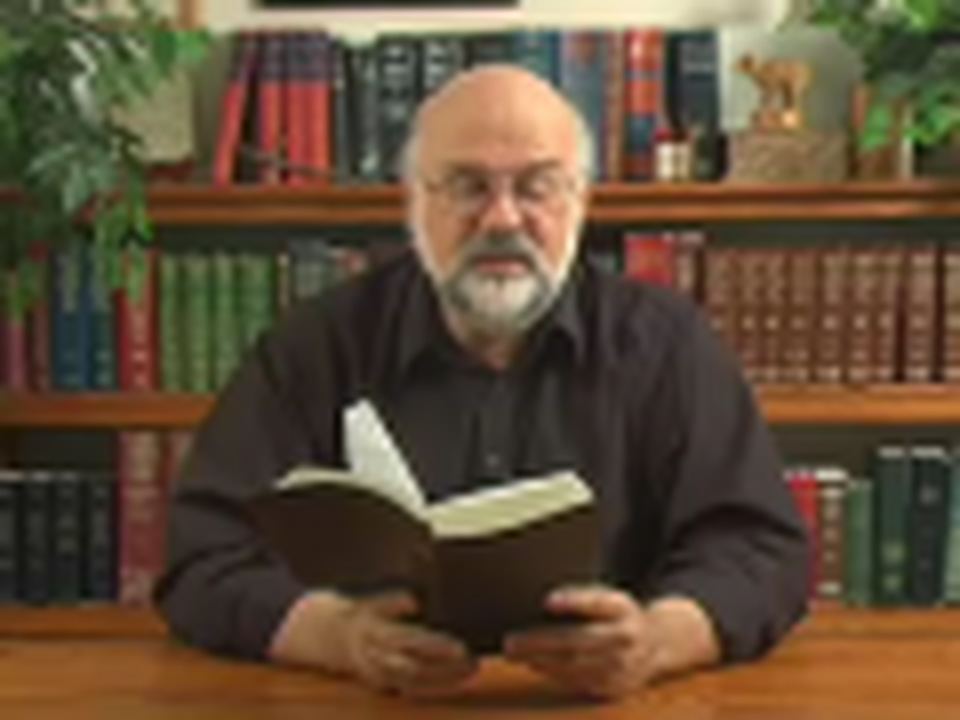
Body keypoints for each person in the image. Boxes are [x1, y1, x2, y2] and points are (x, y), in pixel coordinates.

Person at [155, 64, 810, 700]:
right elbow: (202, 558)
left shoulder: (667, 347)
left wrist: (657, 642)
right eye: (468, 186)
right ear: (415, 201)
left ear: (580, 200)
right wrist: (337, 637)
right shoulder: (316, 347)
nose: (502, 219)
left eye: (536, 187)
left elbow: (761, 551)